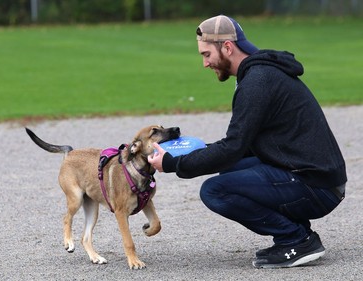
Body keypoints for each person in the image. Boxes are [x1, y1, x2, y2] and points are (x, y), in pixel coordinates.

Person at [148, 15, 347, 269]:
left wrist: (175, 164)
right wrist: (186, 153)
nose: (205, 63)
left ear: (228, 47)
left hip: (317, 187)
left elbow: (233, 147)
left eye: (207, 54)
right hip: (313, 176)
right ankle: (298, 232)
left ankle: (296, 239)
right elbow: (239, 148)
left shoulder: (257, 81)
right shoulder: (259, 74)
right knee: (230, 170)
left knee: (214, 190)